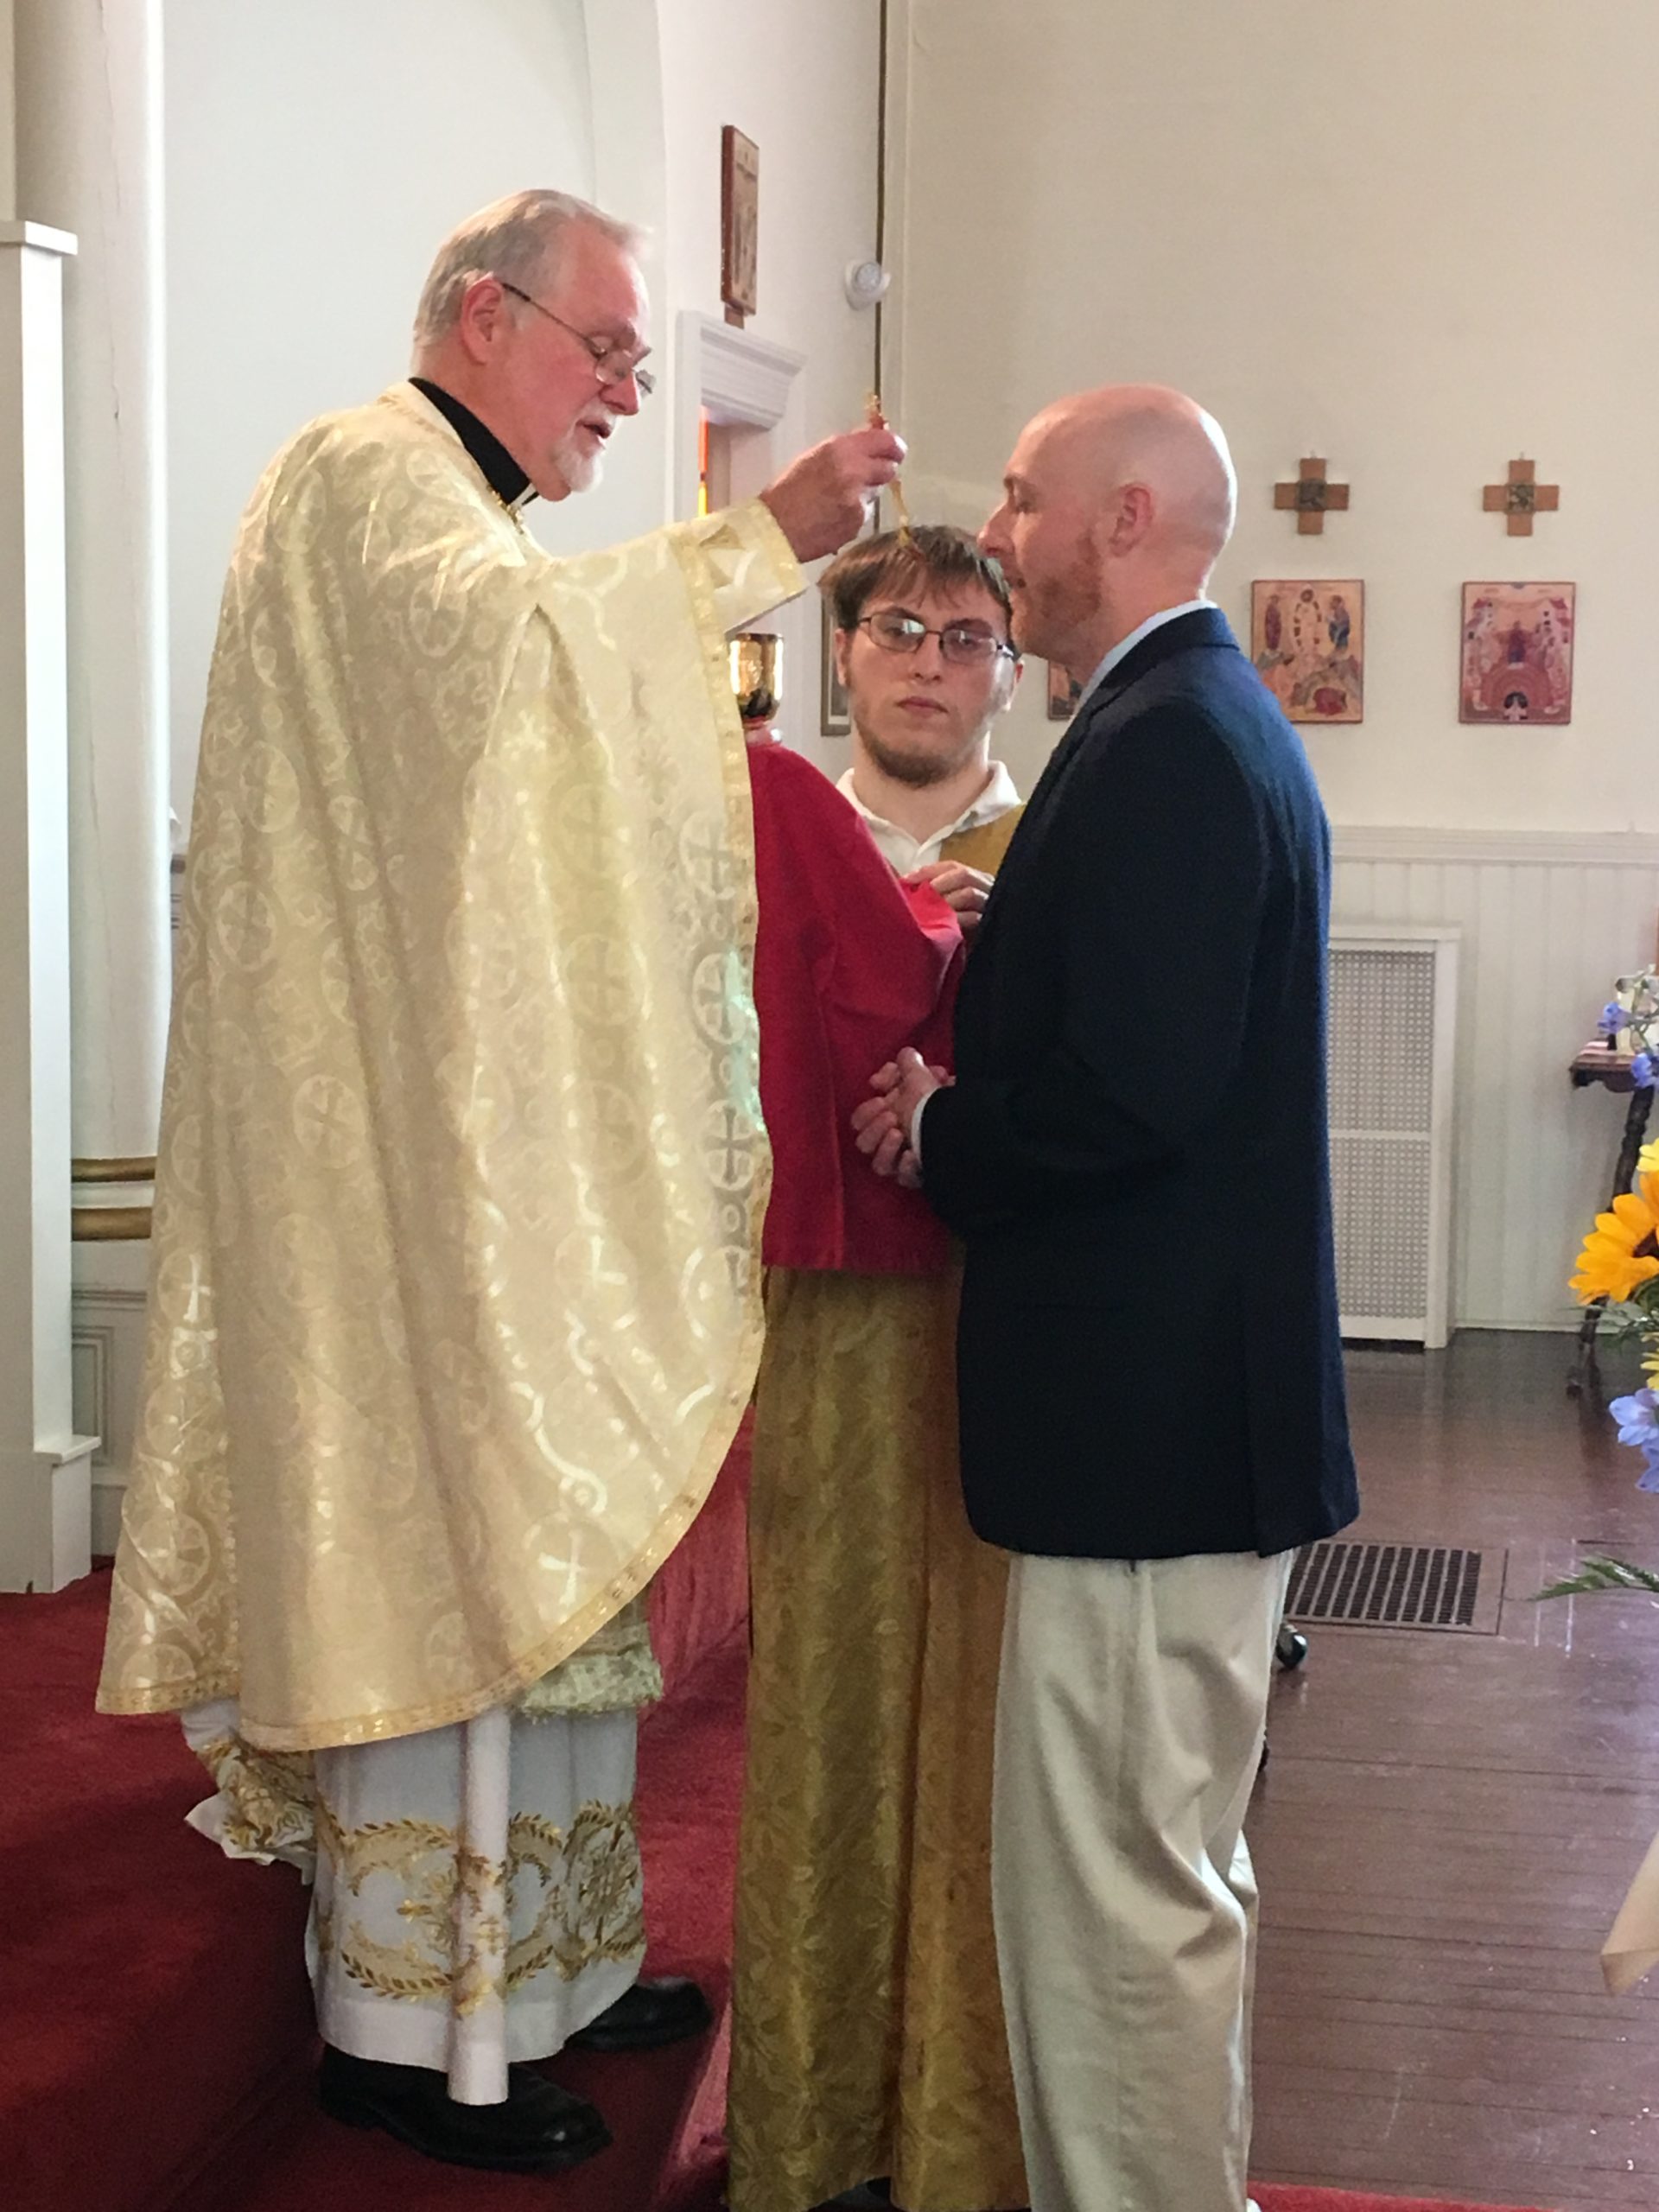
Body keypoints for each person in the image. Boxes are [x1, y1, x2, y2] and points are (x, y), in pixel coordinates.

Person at [95, 187, 901, 2178]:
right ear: (483, 313)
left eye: (635, 356)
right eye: (603, 347)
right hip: (386, 1186)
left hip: (482, 1153)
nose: (628, 388)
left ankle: (551, 1958)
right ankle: (405, 2026)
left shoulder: (480, 515)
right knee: (444, 1562)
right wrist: (758, 540)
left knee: (545, 1550)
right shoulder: (367, 481)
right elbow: (511, 664)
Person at [854, 387, 1359, 2212]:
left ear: (1122, 516)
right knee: (1155, 1886)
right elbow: (1156, 1020)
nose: (1000, 534)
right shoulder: (1193, 715)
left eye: (1021, 498)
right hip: (1171, 1424)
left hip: (1145, 1440)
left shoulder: (1166, 740)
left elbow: (1137, 1091)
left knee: (1119, 1909)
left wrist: (947, 1126)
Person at [728, 526, 1028, 2212]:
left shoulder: (1054, 847)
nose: (928, 660)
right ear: (840, 653)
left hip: (1003, 1321)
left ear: (1009, 672)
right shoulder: (769, 830)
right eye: (898, 628)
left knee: (989, 1721)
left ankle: (966, 2130)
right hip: (829, 1328)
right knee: (827, 1705)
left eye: (966, 636)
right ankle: (812, 2123)